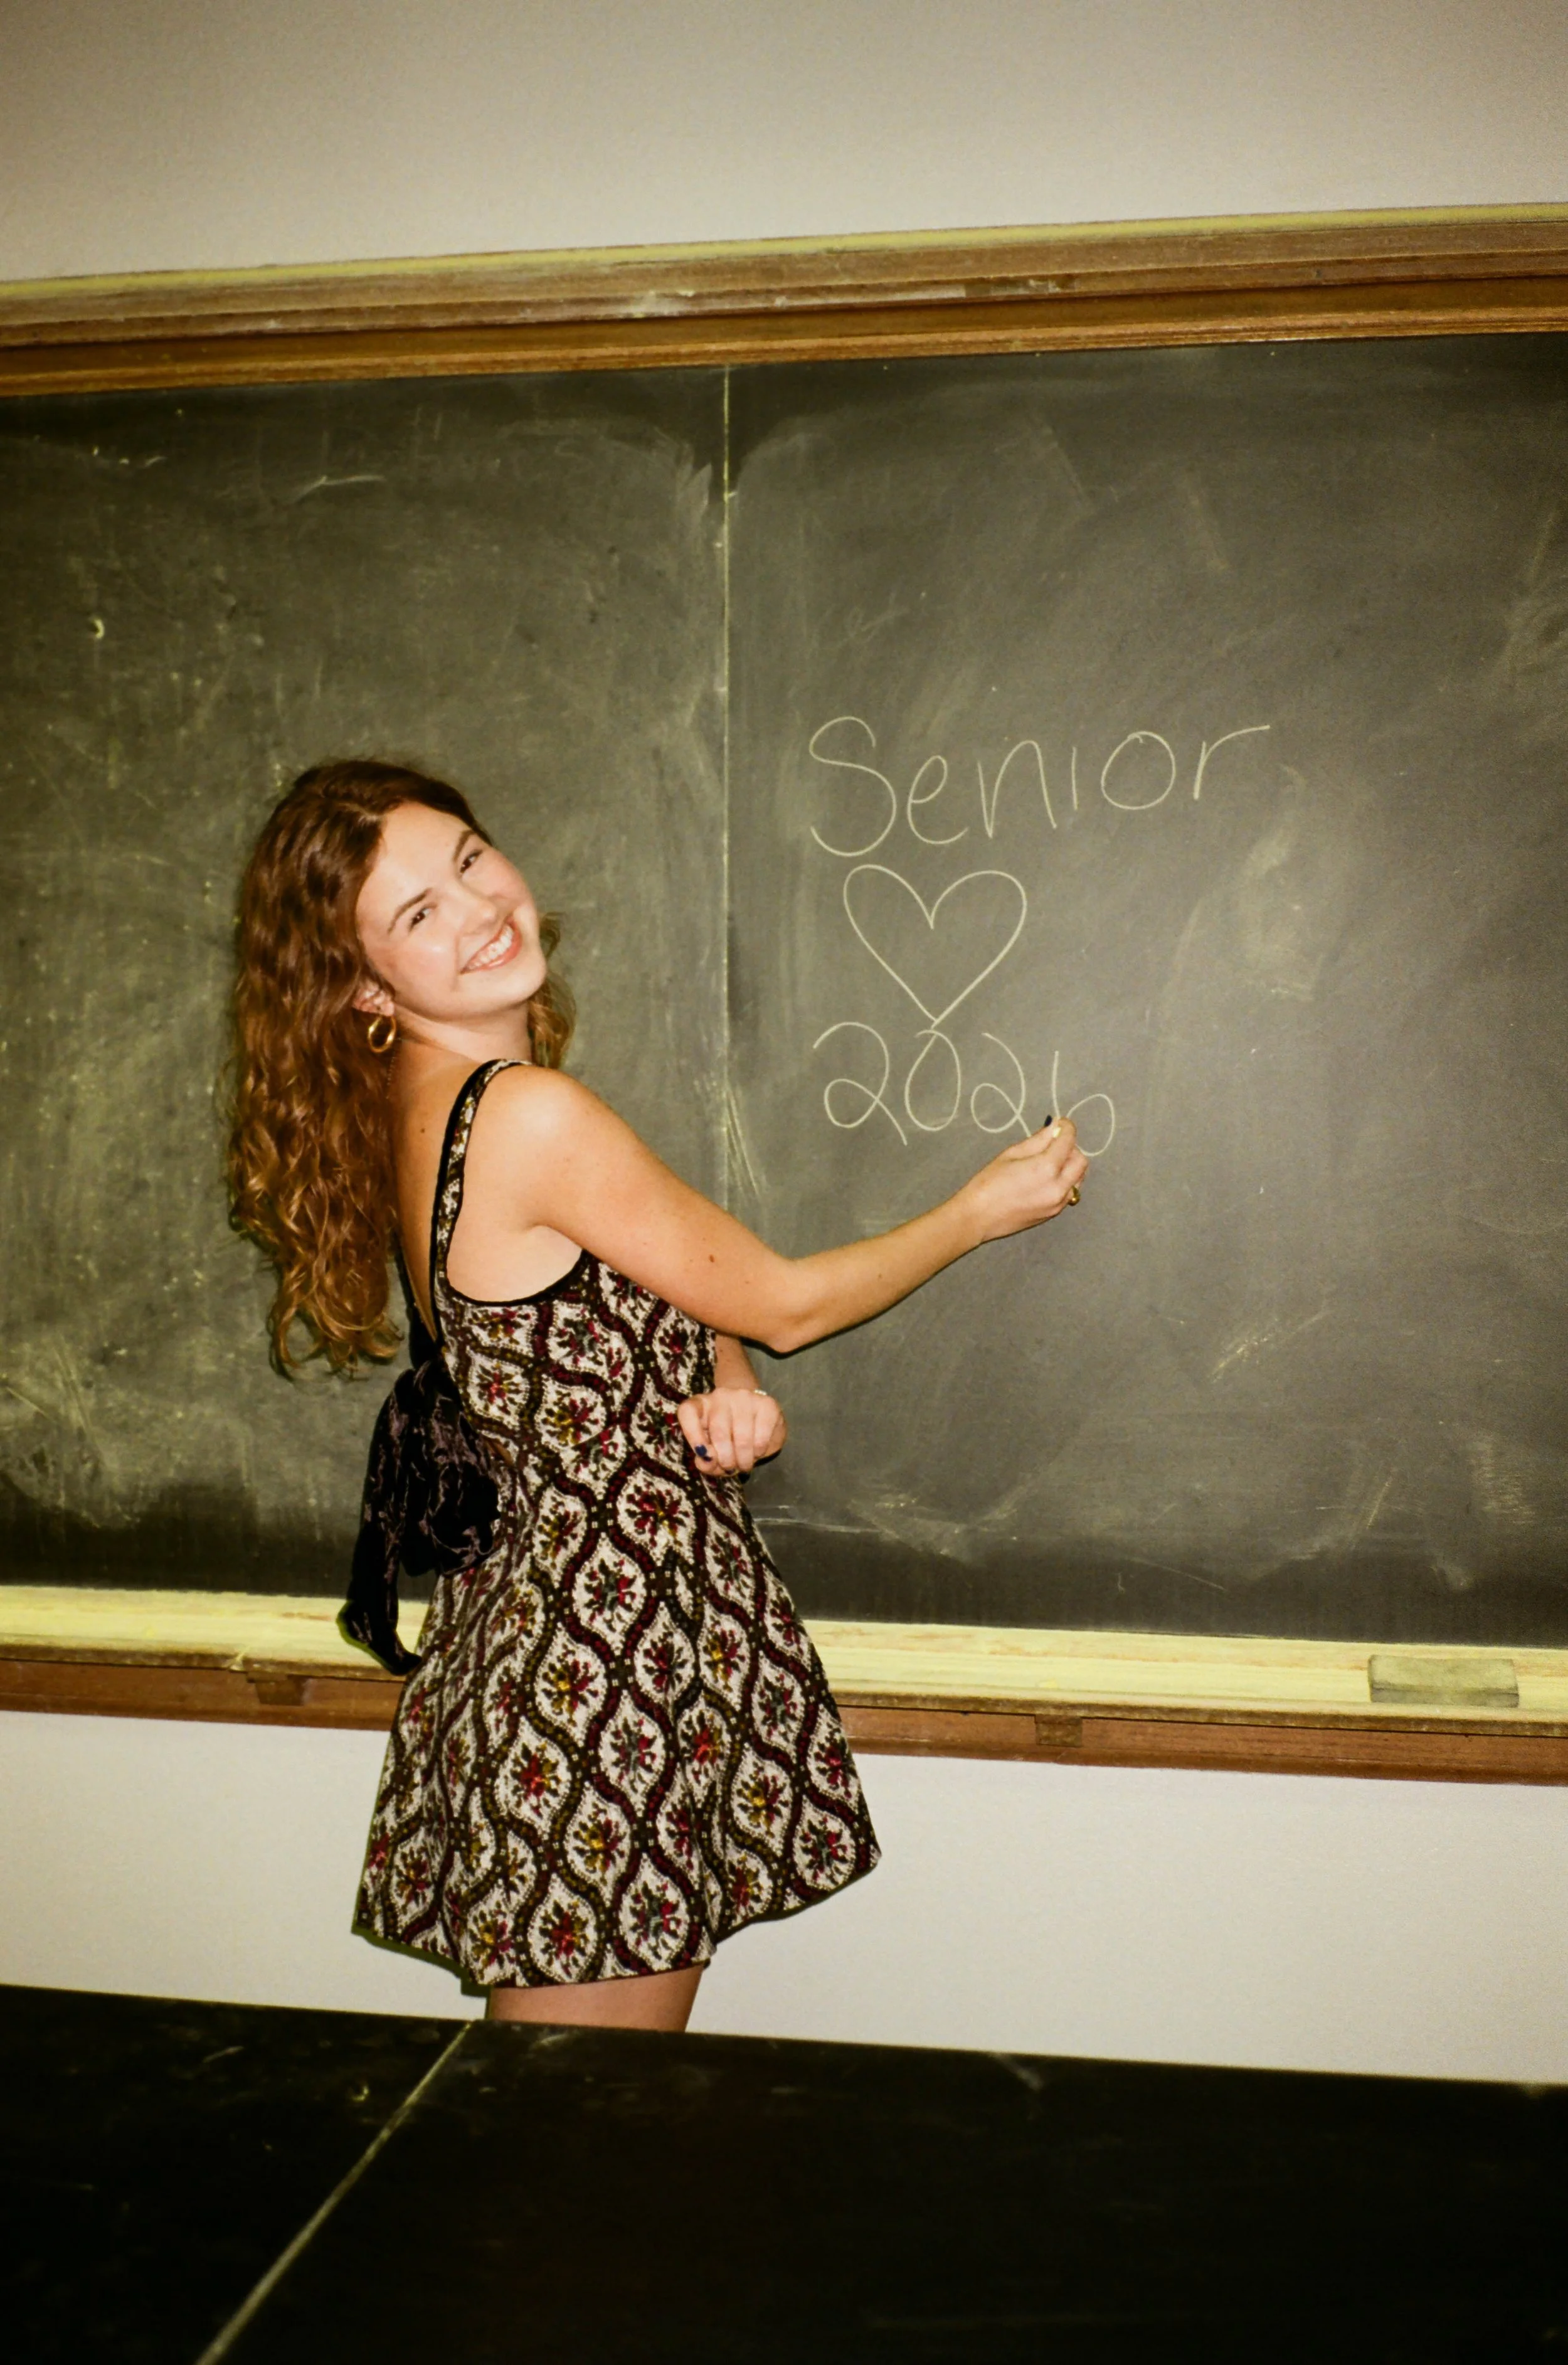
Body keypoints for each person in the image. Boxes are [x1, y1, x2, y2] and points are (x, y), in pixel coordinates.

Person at [228, 760, 1088, 2033]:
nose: (474, 909)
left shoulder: (431, 1105)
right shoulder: (526, 1116)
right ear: (365, 988)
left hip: (552, 1641)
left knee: (597, 2162)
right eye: (415, 915)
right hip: (597, 1672)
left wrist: (720, 1381)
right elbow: (780, 1297)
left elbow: (647, 1300)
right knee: (586, 2169)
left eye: (467, 858)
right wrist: (977, 1211)